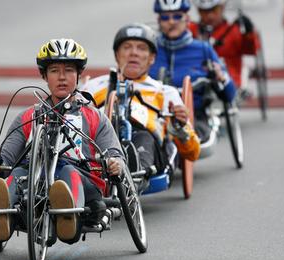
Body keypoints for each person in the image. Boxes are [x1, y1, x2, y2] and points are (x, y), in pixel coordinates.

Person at [0, 38, 125, 244]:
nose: (62, 77)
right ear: (44, 76)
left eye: (69, 70)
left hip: (82, 179)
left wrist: (114, 162)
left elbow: (113, 151)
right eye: (55, 71)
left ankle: (68, 216)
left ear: (78, 75)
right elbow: (6, 157)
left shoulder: (94, 117)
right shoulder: (29, 116)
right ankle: (2, 218)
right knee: (18, 173)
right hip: (34, 180)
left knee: (68, 172)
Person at [81, 23, 200, 182]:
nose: (134, 53)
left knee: (144, 137)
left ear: (152, 58)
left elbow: (193, 153)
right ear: (117, 54)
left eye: (142, 48)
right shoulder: (93, 87)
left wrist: (179, 126)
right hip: (98, 144)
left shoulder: (165, 92)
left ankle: (132, 181)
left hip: (145, 146)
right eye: (127, 47)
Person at [148, 0, 236, 143]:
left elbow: (230, 95)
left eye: (177, 16)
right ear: (158, 20)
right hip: (153, 116)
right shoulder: (150, 49)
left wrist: (221, 77)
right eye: (165, 17)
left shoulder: (203, 49)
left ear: (187, 19)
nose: (171, 22)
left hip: (194, 117)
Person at [188, 0, 260, 94]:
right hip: (198, 82)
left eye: (215, 10)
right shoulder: (191, 30)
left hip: (230, 82)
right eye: (204, 11)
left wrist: (249, 34)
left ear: (222, 7)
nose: (210, 16)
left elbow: (252, 50)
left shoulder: (234, 31)